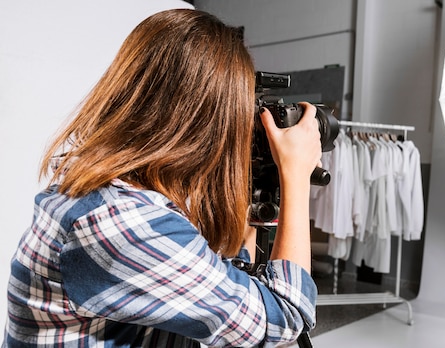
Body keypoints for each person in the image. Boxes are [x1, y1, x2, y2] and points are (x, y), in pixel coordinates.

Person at [3, 9, 321, 347]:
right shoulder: (124, 222)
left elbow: (226, 280)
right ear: (205, 121)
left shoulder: (112, 188)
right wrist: (296, 175)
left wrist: (244, 185)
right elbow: (286, 317)